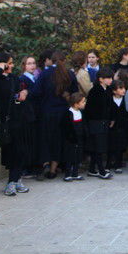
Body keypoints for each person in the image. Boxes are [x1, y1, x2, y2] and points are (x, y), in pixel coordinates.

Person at [0, 53, 34, 196]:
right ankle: (12, 181)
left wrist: (24, 92)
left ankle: (16, 180)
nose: (12, 66)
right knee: (12, 151)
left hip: (20, 118)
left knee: (21, 150)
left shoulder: (13, 78)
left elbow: (23, 88)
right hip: (8, 121)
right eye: (9, 63)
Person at [34, 51, 79, 179]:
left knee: (46, 139)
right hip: (63, 112)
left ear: (51, 61)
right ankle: (53, 169)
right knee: (58, 141)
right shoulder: (69, 74)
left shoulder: (45, 74)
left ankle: (45, 164)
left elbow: (36, 92)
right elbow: (75, 93)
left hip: (47, 112)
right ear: (64, 61)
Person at [84, 67, 114, 179]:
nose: (111, 80)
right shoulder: (95, 91)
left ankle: (92, 169)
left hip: (103, 122)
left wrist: (110, 119)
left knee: (98, 146)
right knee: (98, 147)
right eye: (108, 78)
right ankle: (101, 170)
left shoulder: (108, 90)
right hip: (95, 122)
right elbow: (90, 109)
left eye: (111, 77)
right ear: (101, 79)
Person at [61, 92, 87, 182]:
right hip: (70, 140)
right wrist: (71, 138)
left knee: (78, 156)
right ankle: (67, 174)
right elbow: (66, 128)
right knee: (70, 157)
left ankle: (75, 173)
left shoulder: (81, 112)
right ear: (76, 104)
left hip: (79, 138)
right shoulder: (68, 113)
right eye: (83, 102)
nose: (84, 104)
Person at [107, 79, 128, 173]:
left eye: (124, 88)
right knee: (110, 145)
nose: (123, 90)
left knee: (120, 146)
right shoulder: (109, 99)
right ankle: (108, 163)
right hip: (112, 127)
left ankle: (118, 164)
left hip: (123, 126)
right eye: (120, 88)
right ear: (114, 91)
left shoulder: (125, 100)